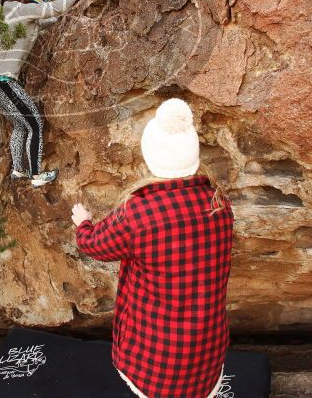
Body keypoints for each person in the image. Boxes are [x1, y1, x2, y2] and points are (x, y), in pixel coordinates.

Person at [70, 99, 233, 398]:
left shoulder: (140, 213)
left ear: (151, 157)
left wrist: (83, 223)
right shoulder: (219, 204)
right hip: (207, 349)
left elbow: (94, 245)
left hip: (157, 357)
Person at [0, 0, 99, 187]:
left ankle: (18, 170)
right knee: (34, 123)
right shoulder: (25, 10)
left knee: (20, 124)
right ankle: (36, 176)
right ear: (36, 4)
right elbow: (53, 9)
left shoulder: (12, 14)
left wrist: (68, 10)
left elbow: (44, 21)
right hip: (2, 82)